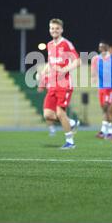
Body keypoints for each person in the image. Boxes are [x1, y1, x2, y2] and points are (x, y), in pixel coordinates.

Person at [40, 18, 81, 149]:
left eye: (57, 28)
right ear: (49, 29)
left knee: (60, 113)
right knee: (47, 115)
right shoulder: (49, 45)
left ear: (61, 30)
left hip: (64, 84)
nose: (54, 30)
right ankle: (71, 122)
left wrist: (64, 69)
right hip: (52, 84)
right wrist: (43, 72)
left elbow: (77, 61)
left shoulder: (66, 44)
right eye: (52, 28)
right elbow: (50, 62)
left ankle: (70, 142)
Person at [91, 40, 112, 140]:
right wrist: (93, 77)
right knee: (104, 109)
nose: (101, 48)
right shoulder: (96, 59)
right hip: (101, 88)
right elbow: (93, 71)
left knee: (108, 109)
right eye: (100, 47)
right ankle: (108, 127)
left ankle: (109, 132)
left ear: (107, 48)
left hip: (111, 88)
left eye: (103, 47)